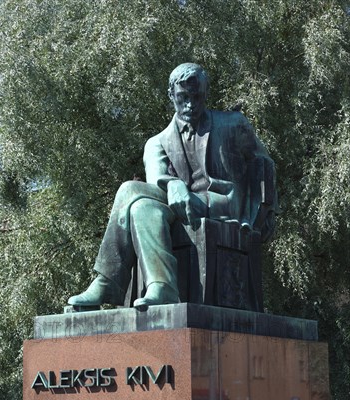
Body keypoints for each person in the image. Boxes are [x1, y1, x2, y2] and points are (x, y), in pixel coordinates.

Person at [68, 62, 277, 310]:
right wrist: (174, 185)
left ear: (206, 93)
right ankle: (162, 285)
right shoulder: (156, 143)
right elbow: (155, 178)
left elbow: (263, 164)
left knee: (128, 190)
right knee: (140, 207)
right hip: (178, 208)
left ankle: (107, 280)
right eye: (183, 97)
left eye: (196, 97)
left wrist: (261, 214)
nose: (190, 105)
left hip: (222, 206)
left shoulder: (232, 124)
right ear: (171, 96)